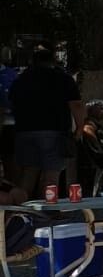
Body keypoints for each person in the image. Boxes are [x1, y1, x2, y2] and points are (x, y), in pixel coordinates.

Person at [8, 46, 84, 200]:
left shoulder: (20, 80)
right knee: (51, 175)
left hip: (24, 132)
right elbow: (76, 105)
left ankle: (23, 212)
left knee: (28, 173)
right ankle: (49, 212)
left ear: (33, 62)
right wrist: (79, 129)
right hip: (53, 132)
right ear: (53, 61)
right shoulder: (62, 78)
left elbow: (12, 104)